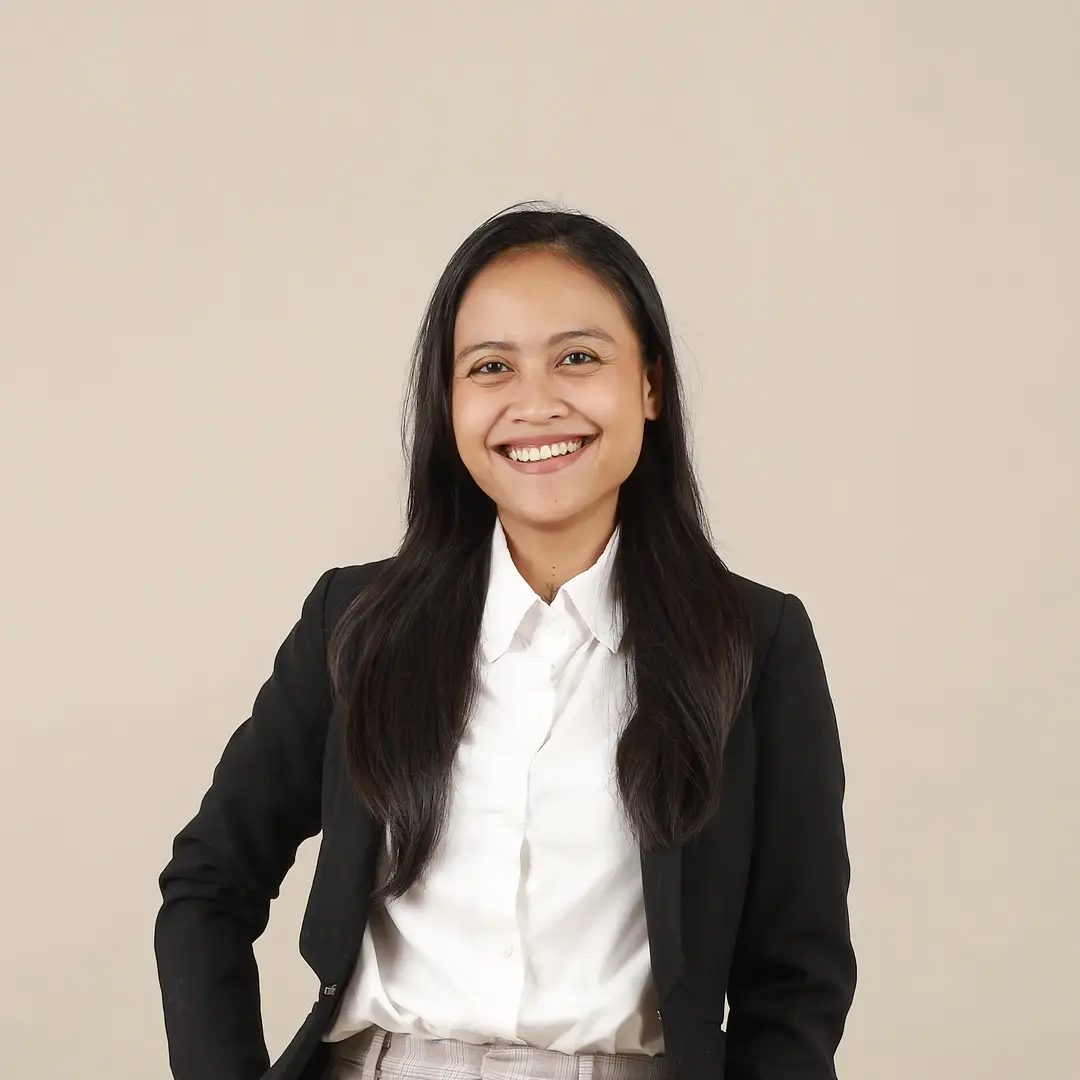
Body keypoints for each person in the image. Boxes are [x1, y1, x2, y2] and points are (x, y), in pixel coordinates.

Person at [155, 204, 856, 1080]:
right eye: (491, 367)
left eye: (578, 358)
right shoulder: (356, 624)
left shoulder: (754, 644)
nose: (536, 403)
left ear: (650, 386)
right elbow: (210, 880)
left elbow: (794, 982)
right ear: (449, 403)